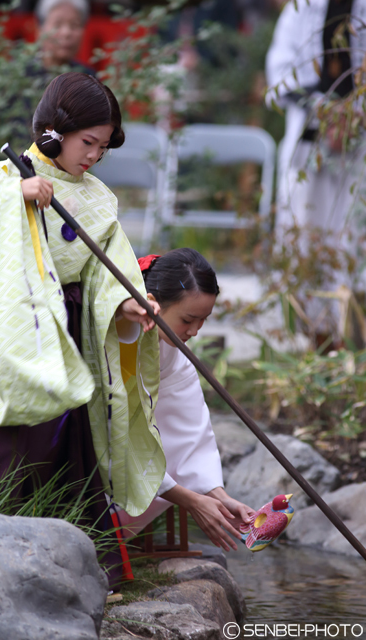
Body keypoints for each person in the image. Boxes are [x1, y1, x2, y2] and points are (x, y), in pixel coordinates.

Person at [0, 73, 166, 566]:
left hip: (67, 328)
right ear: (53, 131)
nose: (93, 156)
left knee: (58, 443)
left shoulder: (100, 198)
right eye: (87, 142)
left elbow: (107, 269)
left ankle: (59, 558)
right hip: (8, 328)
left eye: (103, 147)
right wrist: (15, 194)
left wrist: (127, 302)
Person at [116, 249, 255, 551]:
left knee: (170, 449)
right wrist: (192, 500)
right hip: (97, 445)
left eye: (203, 320)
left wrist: (219, 496)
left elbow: (190, 429)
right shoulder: (117, 338)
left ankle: (116, 541)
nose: (194, 331)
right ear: (151, 303)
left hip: (131, 449)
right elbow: (116, 431)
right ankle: (105, 539)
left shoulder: (174, 352)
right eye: (188, 319)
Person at [265, 0, 366, 337]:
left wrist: (354, 113)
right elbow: (280, 72)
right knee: (305, 225)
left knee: (353, 230)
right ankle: (314, 331)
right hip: (310, 137)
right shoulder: (303, 8)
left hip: (360, 141)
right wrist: (328, 112)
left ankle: (355, 330)